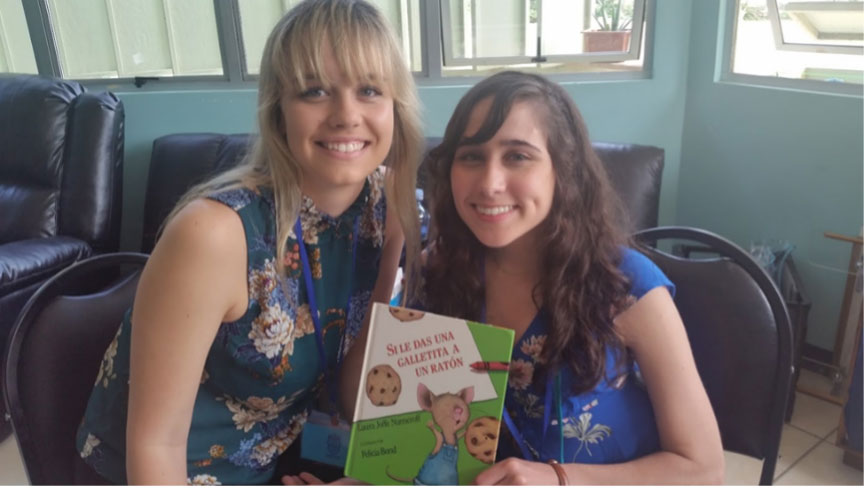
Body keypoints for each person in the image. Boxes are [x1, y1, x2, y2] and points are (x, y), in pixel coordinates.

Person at [74, 0, 423, 484]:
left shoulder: (388, 207)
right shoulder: (214, 234)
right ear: (279, 110)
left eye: (369, 89)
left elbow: (350, 392)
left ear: (395, 106)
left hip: (278, 465)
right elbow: (155, 446)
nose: (347, 115)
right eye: (315, 91)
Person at [417, 71, 724, 485]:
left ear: (564, 170)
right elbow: (420, 427)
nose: (490, 183)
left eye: (517, 156)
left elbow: (703, 470)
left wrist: (558, 479)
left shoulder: (627, 286)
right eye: (471, 156)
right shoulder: (441, 273)